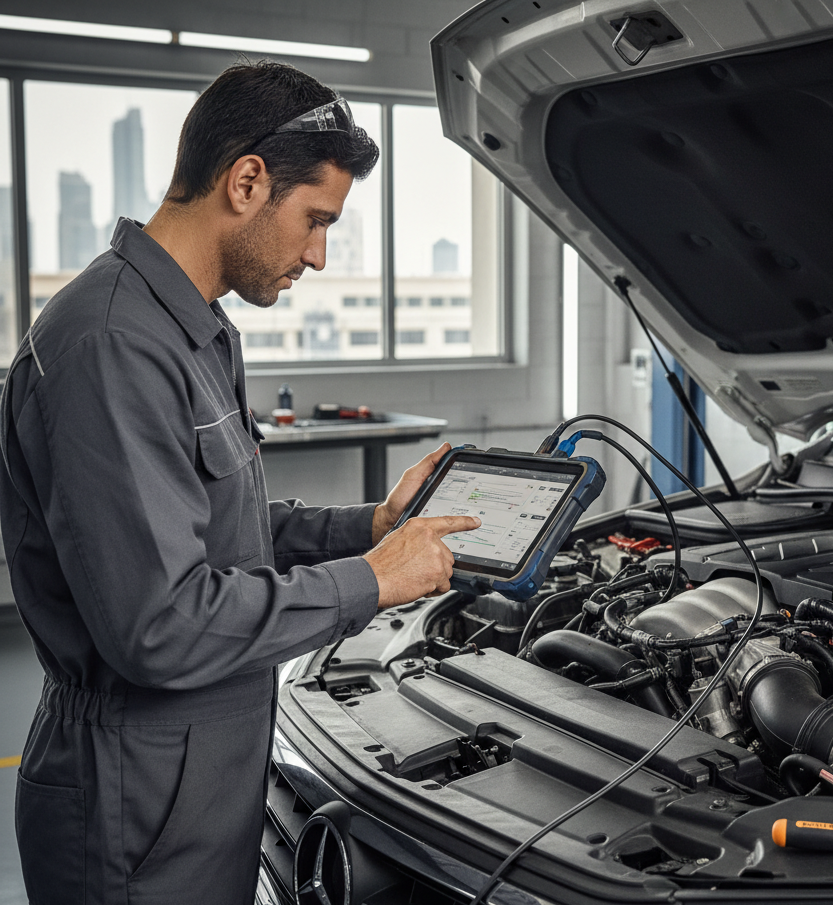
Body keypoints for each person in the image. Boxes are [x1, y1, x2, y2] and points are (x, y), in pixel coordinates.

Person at [0, 61, 480, 905]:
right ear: (248, 181)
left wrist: (373, 524)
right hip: (133, 803)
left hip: (200, 781)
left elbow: (228, 524)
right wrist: (372, 581)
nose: (320, 255)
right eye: (316, 220)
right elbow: (161, 625)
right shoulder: (111, 344)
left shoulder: (197, 328)